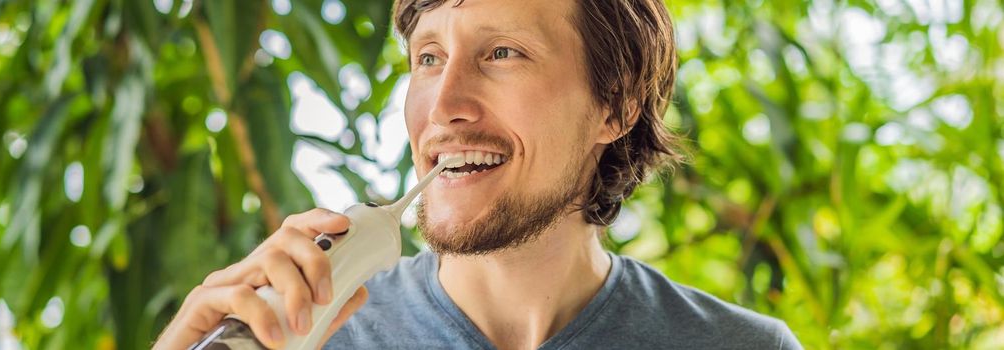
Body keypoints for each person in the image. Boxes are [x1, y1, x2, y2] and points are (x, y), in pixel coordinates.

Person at [155, 0, 804, 348]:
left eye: (502, 52)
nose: (443, 106)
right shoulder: (306, 339)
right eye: (429, 57)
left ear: (615, 105)